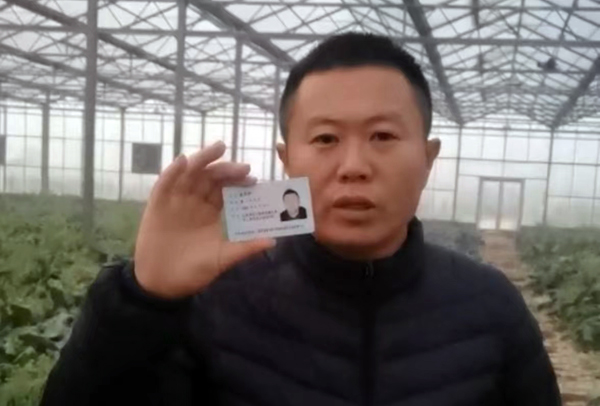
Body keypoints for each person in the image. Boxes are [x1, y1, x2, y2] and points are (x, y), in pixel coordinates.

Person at [41, 33, 561, 406]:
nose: (354, 166)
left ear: (427, 159)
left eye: (382, 136)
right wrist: (142, 298)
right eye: (325, 138)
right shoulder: (217, 301)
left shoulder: (491, 306)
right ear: (286, 161)